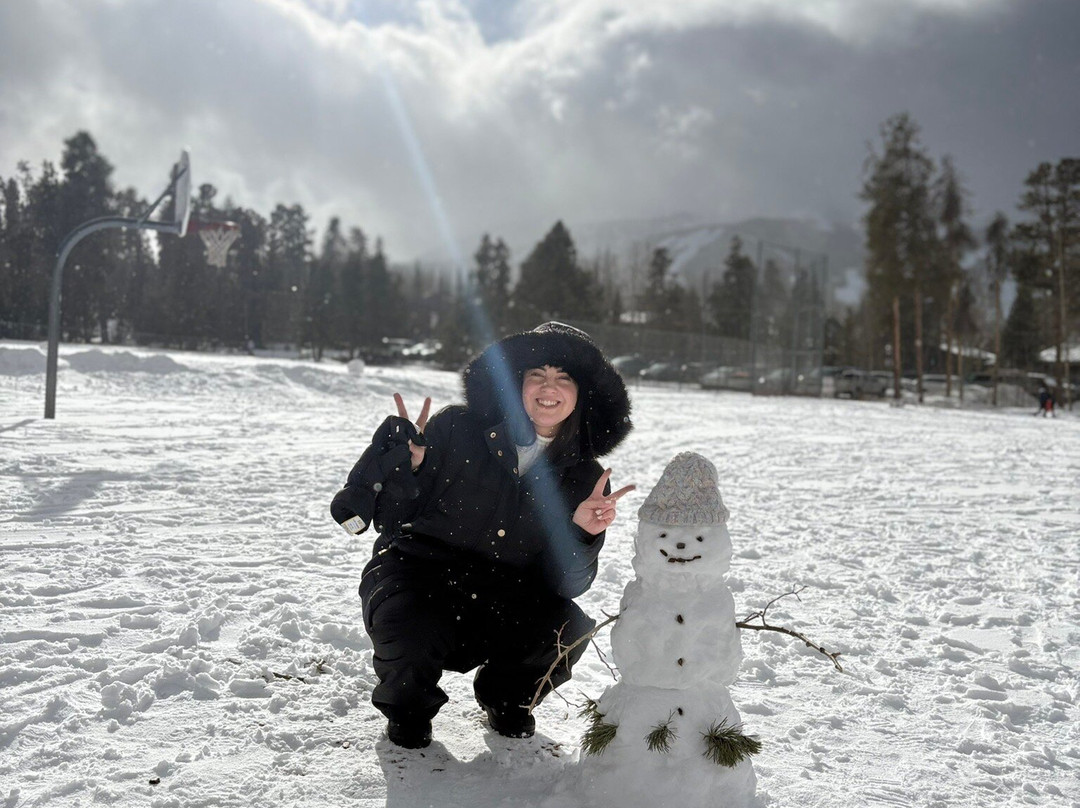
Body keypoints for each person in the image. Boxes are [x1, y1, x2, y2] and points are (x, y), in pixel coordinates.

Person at [330, 322, 634, 749]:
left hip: (507, 594)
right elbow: (391, 519)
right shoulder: (456, 427)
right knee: (407, 627)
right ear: (516, 383)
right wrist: (409, 470)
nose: (550, 388)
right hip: (420, 574)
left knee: (568, 626)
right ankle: (409, 709)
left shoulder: (585, 476)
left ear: (582, 394)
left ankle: (507, 699)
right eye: (537, 375)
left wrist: (581, 533)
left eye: (564, 377)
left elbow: (567, 585)